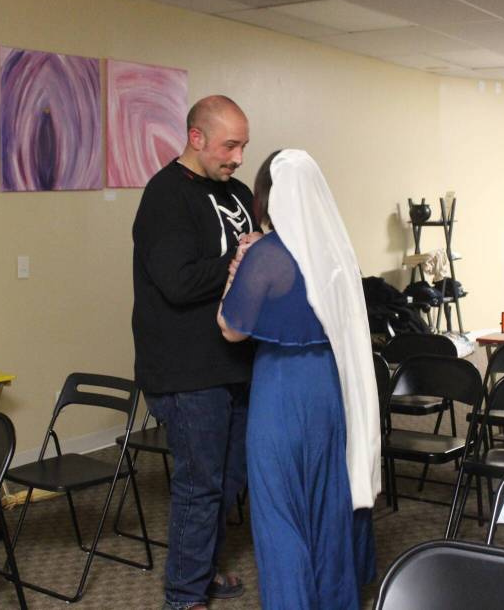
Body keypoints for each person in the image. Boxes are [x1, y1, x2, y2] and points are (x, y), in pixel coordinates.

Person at [218, 149, 380, 610]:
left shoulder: (266, 255)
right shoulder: (335, 250)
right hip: (328, 387)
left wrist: (235, 272)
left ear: (265, 198)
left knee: (279, 513)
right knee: (329, 507)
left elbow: (231, 328)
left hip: (280, 391)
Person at [132, 95, 262, 610]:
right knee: (199, 485)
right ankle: (184, 596)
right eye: (229, 145)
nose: (237, 157)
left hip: (235, 363)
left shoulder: (239, 192)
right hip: (186, 372)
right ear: (196, 137)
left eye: (243, 146)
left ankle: (201, 570)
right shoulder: (165, 195)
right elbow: (178, 282)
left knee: (230, 479)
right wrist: (238, 260)